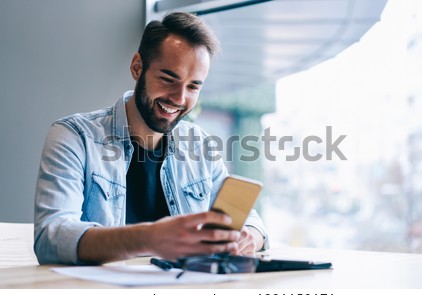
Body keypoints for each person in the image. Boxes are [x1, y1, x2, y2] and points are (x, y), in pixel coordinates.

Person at [34, 12, 269, 265]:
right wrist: (150, 238)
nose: (179, 99)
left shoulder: (200, 145)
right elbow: (51, 236)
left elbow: (250, 221)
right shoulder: (74, 136)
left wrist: (249, 237)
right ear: (137, 67)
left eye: (193, 87)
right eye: (169, 79)